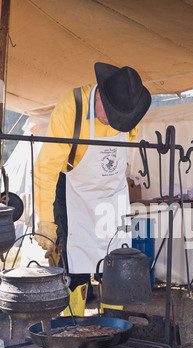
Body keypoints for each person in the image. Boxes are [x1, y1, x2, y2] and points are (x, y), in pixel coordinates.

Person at [34, 62, 151, 316]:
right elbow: (45, 168)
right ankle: (73, 329)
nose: (112, 122)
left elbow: (126, 146)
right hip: (76, 193)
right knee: (74, 266)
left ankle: (113, 326)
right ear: (100, 94)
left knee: (116, 264)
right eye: (109, 114)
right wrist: (45, 220)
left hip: (112, 195)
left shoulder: (128, 113)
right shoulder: (71, 108)